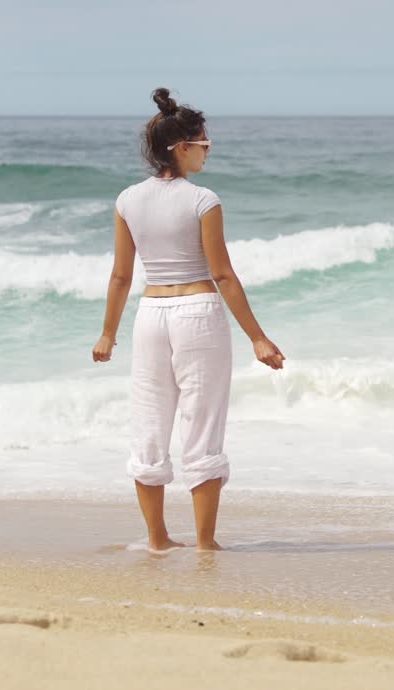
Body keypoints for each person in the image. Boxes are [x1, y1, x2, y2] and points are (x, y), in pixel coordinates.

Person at [92, 88, 284, 552]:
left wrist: (107, 333)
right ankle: (204, 543)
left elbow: (121, 275)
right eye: (203, 143)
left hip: (150, 315)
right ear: (181, 148)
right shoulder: (203, 200)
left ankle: (158, 540)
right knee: (202, 426)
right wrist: (258, 338)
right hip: (197, 314)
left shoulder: (127, 200)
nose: (208, 150)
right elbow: (222, 273)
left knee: (150, 426)